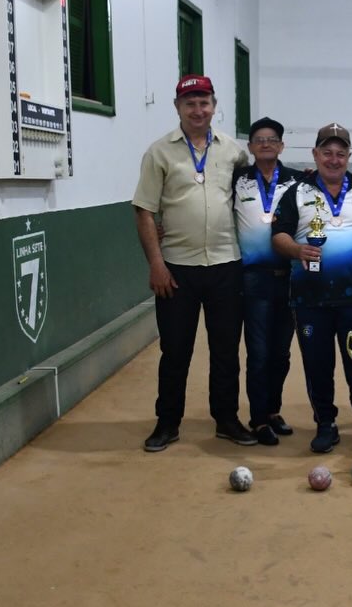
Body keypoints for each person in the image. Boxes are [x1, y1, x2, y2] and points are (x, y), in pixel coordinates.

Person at [133, 74, 255, 452]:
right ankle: (167, 423)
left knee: (226, 351)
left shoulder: (233, 152)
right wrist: (156, 264)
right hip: (176, 269)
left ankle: (227, 419)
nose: (198, 110)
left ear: (214, 106)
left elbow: (254, 198)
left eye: (204, 102)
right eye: (190, 103)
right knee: (175, 351)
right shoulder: (159, 153)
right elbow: (144, 211)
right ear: (178, 108)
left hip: (226, 265)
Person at [271, 123, 352, 456]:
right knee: (317, 365)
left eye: (340, 153)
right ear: (315, 155)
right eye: (327, 153)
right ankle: (326, 425)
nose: (333, 159)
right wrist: (297, 250)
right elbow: (278, 236)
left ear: (348, 156)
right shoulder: (297, 192)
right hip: (309, 300)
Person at [232, 117, 300, 445]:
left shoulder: (299, 181)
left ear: (281, 146)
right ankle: (258, 419)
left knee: (281, 353)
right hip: (254, 280)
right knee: (258, 352)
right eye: (259, 139)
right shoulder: (236, 180)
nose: (266, 144)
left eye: (272, 139)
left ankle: (273, 410)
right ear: (250, 147)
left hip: (289, 278)